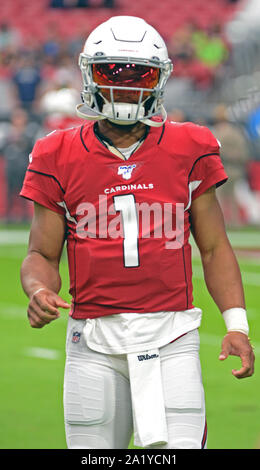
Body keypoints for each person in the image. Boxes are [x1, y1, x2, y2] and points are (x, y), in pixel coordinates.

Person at [20, 16, 254, 450]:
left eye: (140, 74)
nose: (126, 86)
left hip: (173, 335)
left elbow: (215, 246)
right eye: (113, 72)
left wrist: (237, 325)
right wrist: (37, 290)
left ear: (159, 79)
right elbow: (42, 254)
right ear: (90, 74)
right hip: (92, 340)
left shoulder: (190, 145)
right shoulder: (56, 151)